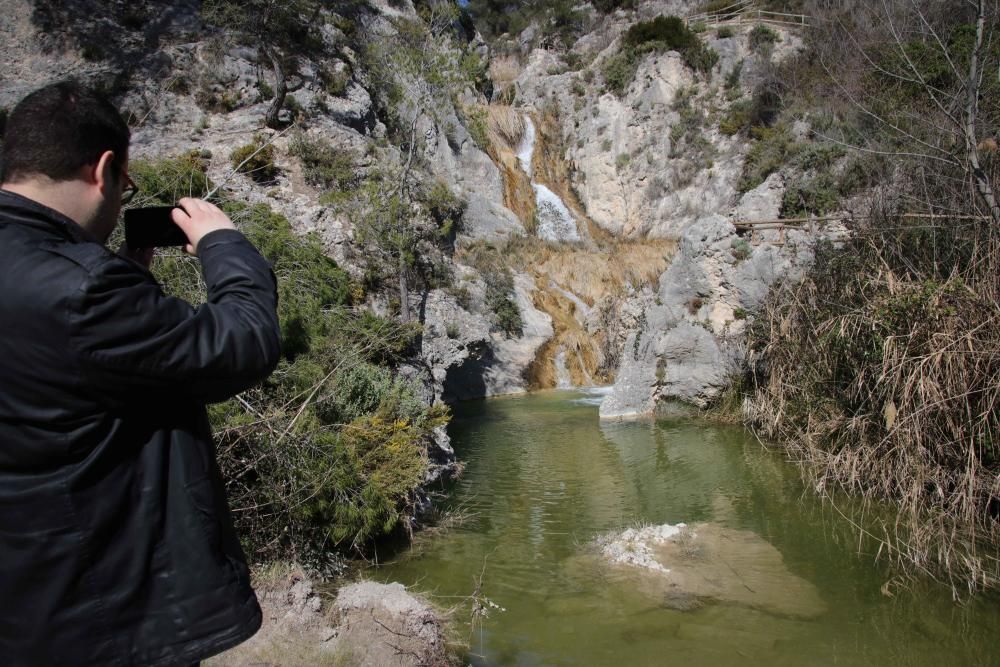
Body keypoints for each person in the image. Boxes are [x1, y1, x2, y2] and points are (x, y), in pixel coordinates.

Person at [0, 81, 280, 665]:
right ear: (104, 169)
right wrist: (223, 243)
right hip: (98, 615)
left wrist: (125, 284)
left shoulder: (73, 280)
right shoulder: (85, 289)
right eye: (126, 186)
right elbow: (244, 340)